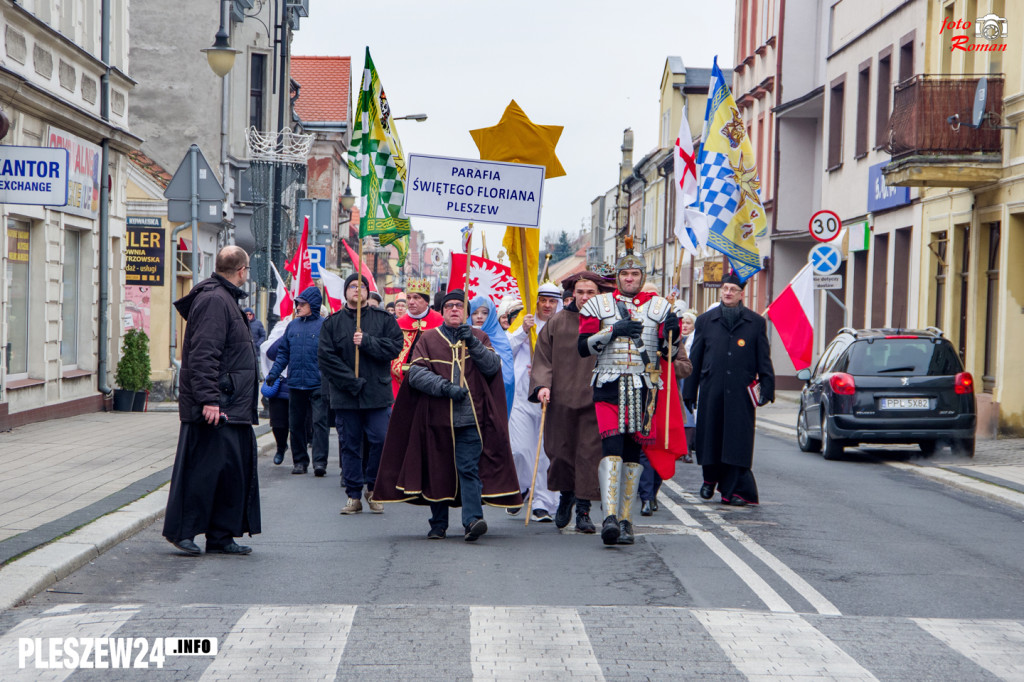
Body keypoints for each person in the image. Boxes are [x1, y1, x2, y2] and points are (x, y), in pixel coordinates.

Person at [373, 290, 522, 541]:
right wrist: (445, 388)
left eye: (459, 306)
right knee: (437, 470)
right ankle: (438, 524)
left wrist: (473, 343)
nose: (454, 309)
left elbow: (493, 367)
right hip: (435, 419)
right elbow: (417, 374)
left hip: (471, 420)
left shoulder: (479, 336)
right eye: (449, 306)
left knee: (468, 469)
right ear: (442, 312)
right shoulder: (430, 338)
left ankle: (473, 520)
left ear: (466, 312)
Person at [578, 237, 680, 545]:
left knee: (634, 454)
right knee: (612, 449)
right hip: (608, 384)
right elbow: (583, 348)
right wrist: (612, 331)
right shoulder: (598, 304)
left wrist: (673, 335)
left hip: (645, 388)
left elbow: (669, 354)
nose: (629, 278)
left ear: (643, 277)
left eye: (635, 274)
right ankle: (609, 517)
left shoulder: (661, 307)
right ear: (618, 278)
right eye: (625, 274)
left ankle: (626, 521)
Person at [163, 246, 260, 556]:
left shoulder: (224, 298)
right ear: (242, 271)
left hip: (231, 404)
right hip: (218, 405)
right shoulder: (215, 300)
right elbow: (204, 354)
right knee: (203, 473)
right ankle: (184, 531)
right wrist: (209, 400)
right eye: (247, 269)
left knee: (229, 473)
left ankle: (221, 535)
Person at [528, 271, 611, 533]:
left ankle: (584, 511)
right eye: (581, 292)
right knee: (561, 454)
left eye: (591, 292)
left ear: (599, 295)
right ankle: (566, 497)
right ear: (572, 293)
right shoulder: (556, 323)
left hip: (595, 399)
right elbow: (543, 358)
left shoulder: (607, 322)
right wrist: (542, 386)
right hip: (561, 399)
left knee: (588, 455)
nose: (585, 297)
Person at [684, 272, 775, 506]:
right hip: (711, 390)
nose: (727, 292)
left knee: (737, 442)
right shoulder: (706, 320)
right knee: (710, 437)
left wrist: (767, 386)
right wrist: (689, 393)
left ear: (741, 294)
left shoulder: (755, 323)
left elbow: (763, 358)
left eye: (732, 289)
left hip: (740, 394)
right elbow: (696, 356)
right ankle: (709, 480)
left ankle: (732, 490)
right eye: (724, 288)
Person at [318, 273, 403, 514]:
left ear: (368, 291)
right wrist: (350, 381)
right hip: (346, 395)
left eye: (362, 286)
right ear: (345, 292)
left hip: (377, 393)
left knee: (380, 439)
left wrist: (367, 341)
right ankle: (354, 494)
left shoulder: (383, 319)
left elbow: (395, 347)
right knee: (350, 445)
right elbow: (326, 358)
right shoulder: (332, 323)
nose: (357, 290)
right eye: (352, 286)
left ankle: (374, 487)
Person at [506, 282, 562, 522]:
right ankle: (522, 486)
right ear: (536, 301)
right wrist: (521, 331)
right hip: (521, 398)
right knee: (520, 450)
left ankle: (542, 502)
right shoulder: (522, 321)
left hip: (550, 397)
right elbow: (503, 350)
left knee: (546, 453)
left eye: (552, 301)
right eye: (543, 300)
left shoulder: (562, 325)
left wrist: (545, 373)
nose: (547, 305)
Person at [265, 286, 329, 476]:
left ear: (313, 305)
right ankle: (300, 462)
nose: (297, 307)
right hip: (295, 383)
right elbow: (283, 353)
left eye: (302, 304)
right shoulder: (292, 326)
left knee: (319, 423)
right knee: (296, 424)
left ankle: (319, 463)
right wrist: (273, 374)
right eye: (297, 303)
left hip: (317, 383)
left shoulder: (325, 325)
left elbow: (332, 354)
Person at [391, 278, 444, 398]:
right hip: (401, 384)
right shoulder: (396, 324)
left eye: (416, 297)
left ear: (426, 301)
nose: (411, 302)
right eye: (408, 297)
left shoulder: (441, 322)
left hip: (432, 383)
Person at [469, 295, 515, 415]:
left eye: (484, 313)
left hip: (494, 395)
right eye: (475, 313)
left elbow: (508, 376)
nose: (479, 316)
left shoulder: (501, 339)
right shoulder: (462, 337)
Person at [260, 316, 292, 465]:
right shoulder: (280, 330)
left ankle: (300, 459)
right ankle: (280, 447)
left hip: (301, 382)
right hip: (280, 382)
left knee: (300, 423)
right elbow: (271, 352)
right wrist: (289, 333)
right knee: (278, 422)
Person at [679, 309, 698, 463]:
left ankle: (687, 449)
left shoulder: (695, 338)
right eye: (682, 322)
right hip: (675, 379)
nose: (684, 326)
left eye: (688, 323)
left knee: (688, 413)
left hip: (688, 379)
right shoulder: (676, 338)